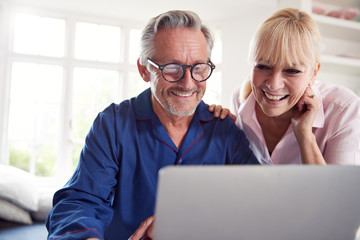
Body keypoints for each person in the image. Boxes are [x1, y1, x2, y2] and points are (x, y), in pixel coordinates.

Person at [46, 10, 258, 240]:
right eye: (172, 67)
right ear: (144, 70)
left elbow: (259, 201)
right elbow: (80, 201)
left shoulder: (225, 130)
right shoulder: (113, 124)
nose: (188, 83)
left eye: (198, 68)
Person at [229, 8, 360, 165]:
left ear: (313, 74)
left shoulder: (343, 109)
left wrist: (305, 135)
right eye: (263, 66)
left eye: (292, 71)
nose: (273, 84)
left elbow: (339, 189)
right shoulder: (240, 100)